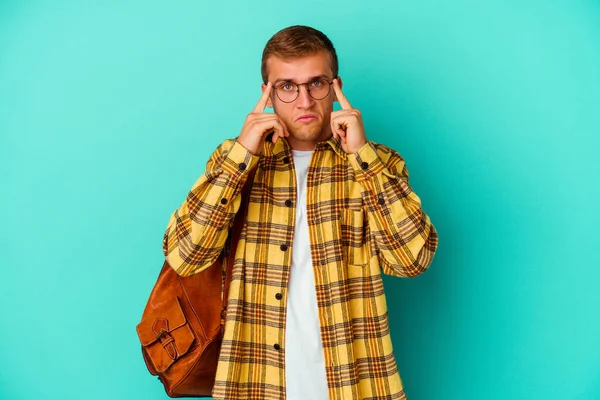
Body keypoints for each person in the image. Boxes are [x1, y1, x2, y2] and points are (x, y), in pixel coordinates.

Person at [162, 25, 438, 400]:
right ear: (267, 94)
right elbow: (186, 256)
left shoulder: (379, 163)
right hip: (256, 378)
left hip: (354, 381)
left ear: (336, 87)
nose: (304, 101)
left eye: (316, 84)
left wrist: (364, 158)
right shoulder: (238, 162)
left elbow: (412, 260)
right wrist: (240, 154)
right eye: (287, 86)